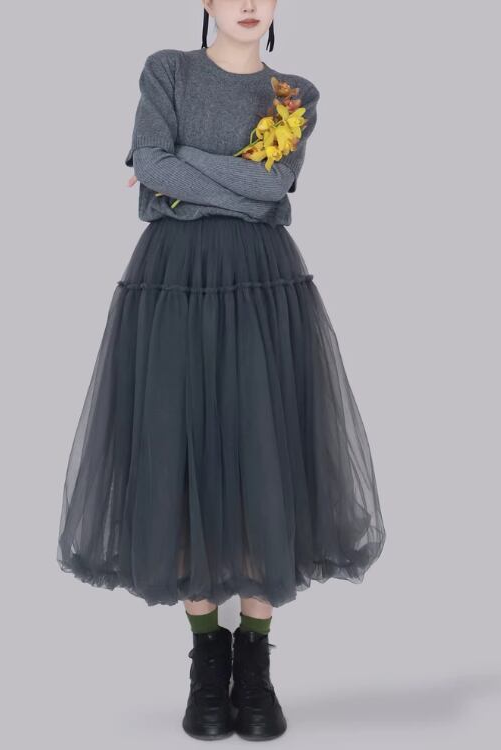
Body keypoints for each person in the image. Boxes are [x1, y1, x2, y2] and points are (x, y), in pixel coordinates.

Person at [57, 0, 386, 741]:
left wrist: (178, 173)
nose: (247, 3)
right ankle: (208, 659)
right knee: (178, 451)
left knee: (263, 452)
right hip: (171, 282)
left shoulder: (294, 94)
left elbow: (269, 186)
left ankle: (255, 663)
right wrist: (193, 173)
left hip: (264, 286)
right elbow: (154, 160)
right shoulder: (167, 71)